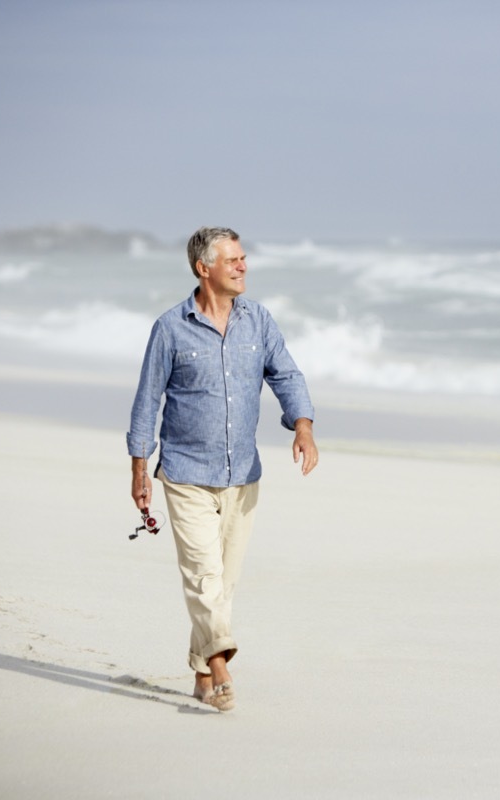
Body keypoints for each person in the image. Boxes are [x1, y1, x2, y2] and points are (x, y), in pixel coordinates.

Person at [127, 226, 318, 712]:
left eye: (243, 258)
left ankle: (198, 674)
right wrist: (139, 468)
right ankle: (220, 668)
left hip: (243, 475)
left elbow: (287, 374)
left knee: (222, 585)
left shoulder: (259, 322)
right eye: (232, 260)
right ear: (203, 268)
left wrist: (303, 425)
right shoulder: (170, 328)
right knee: (203, 577)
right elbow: (147, 401)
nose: (242, 266)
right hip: (186, 472)